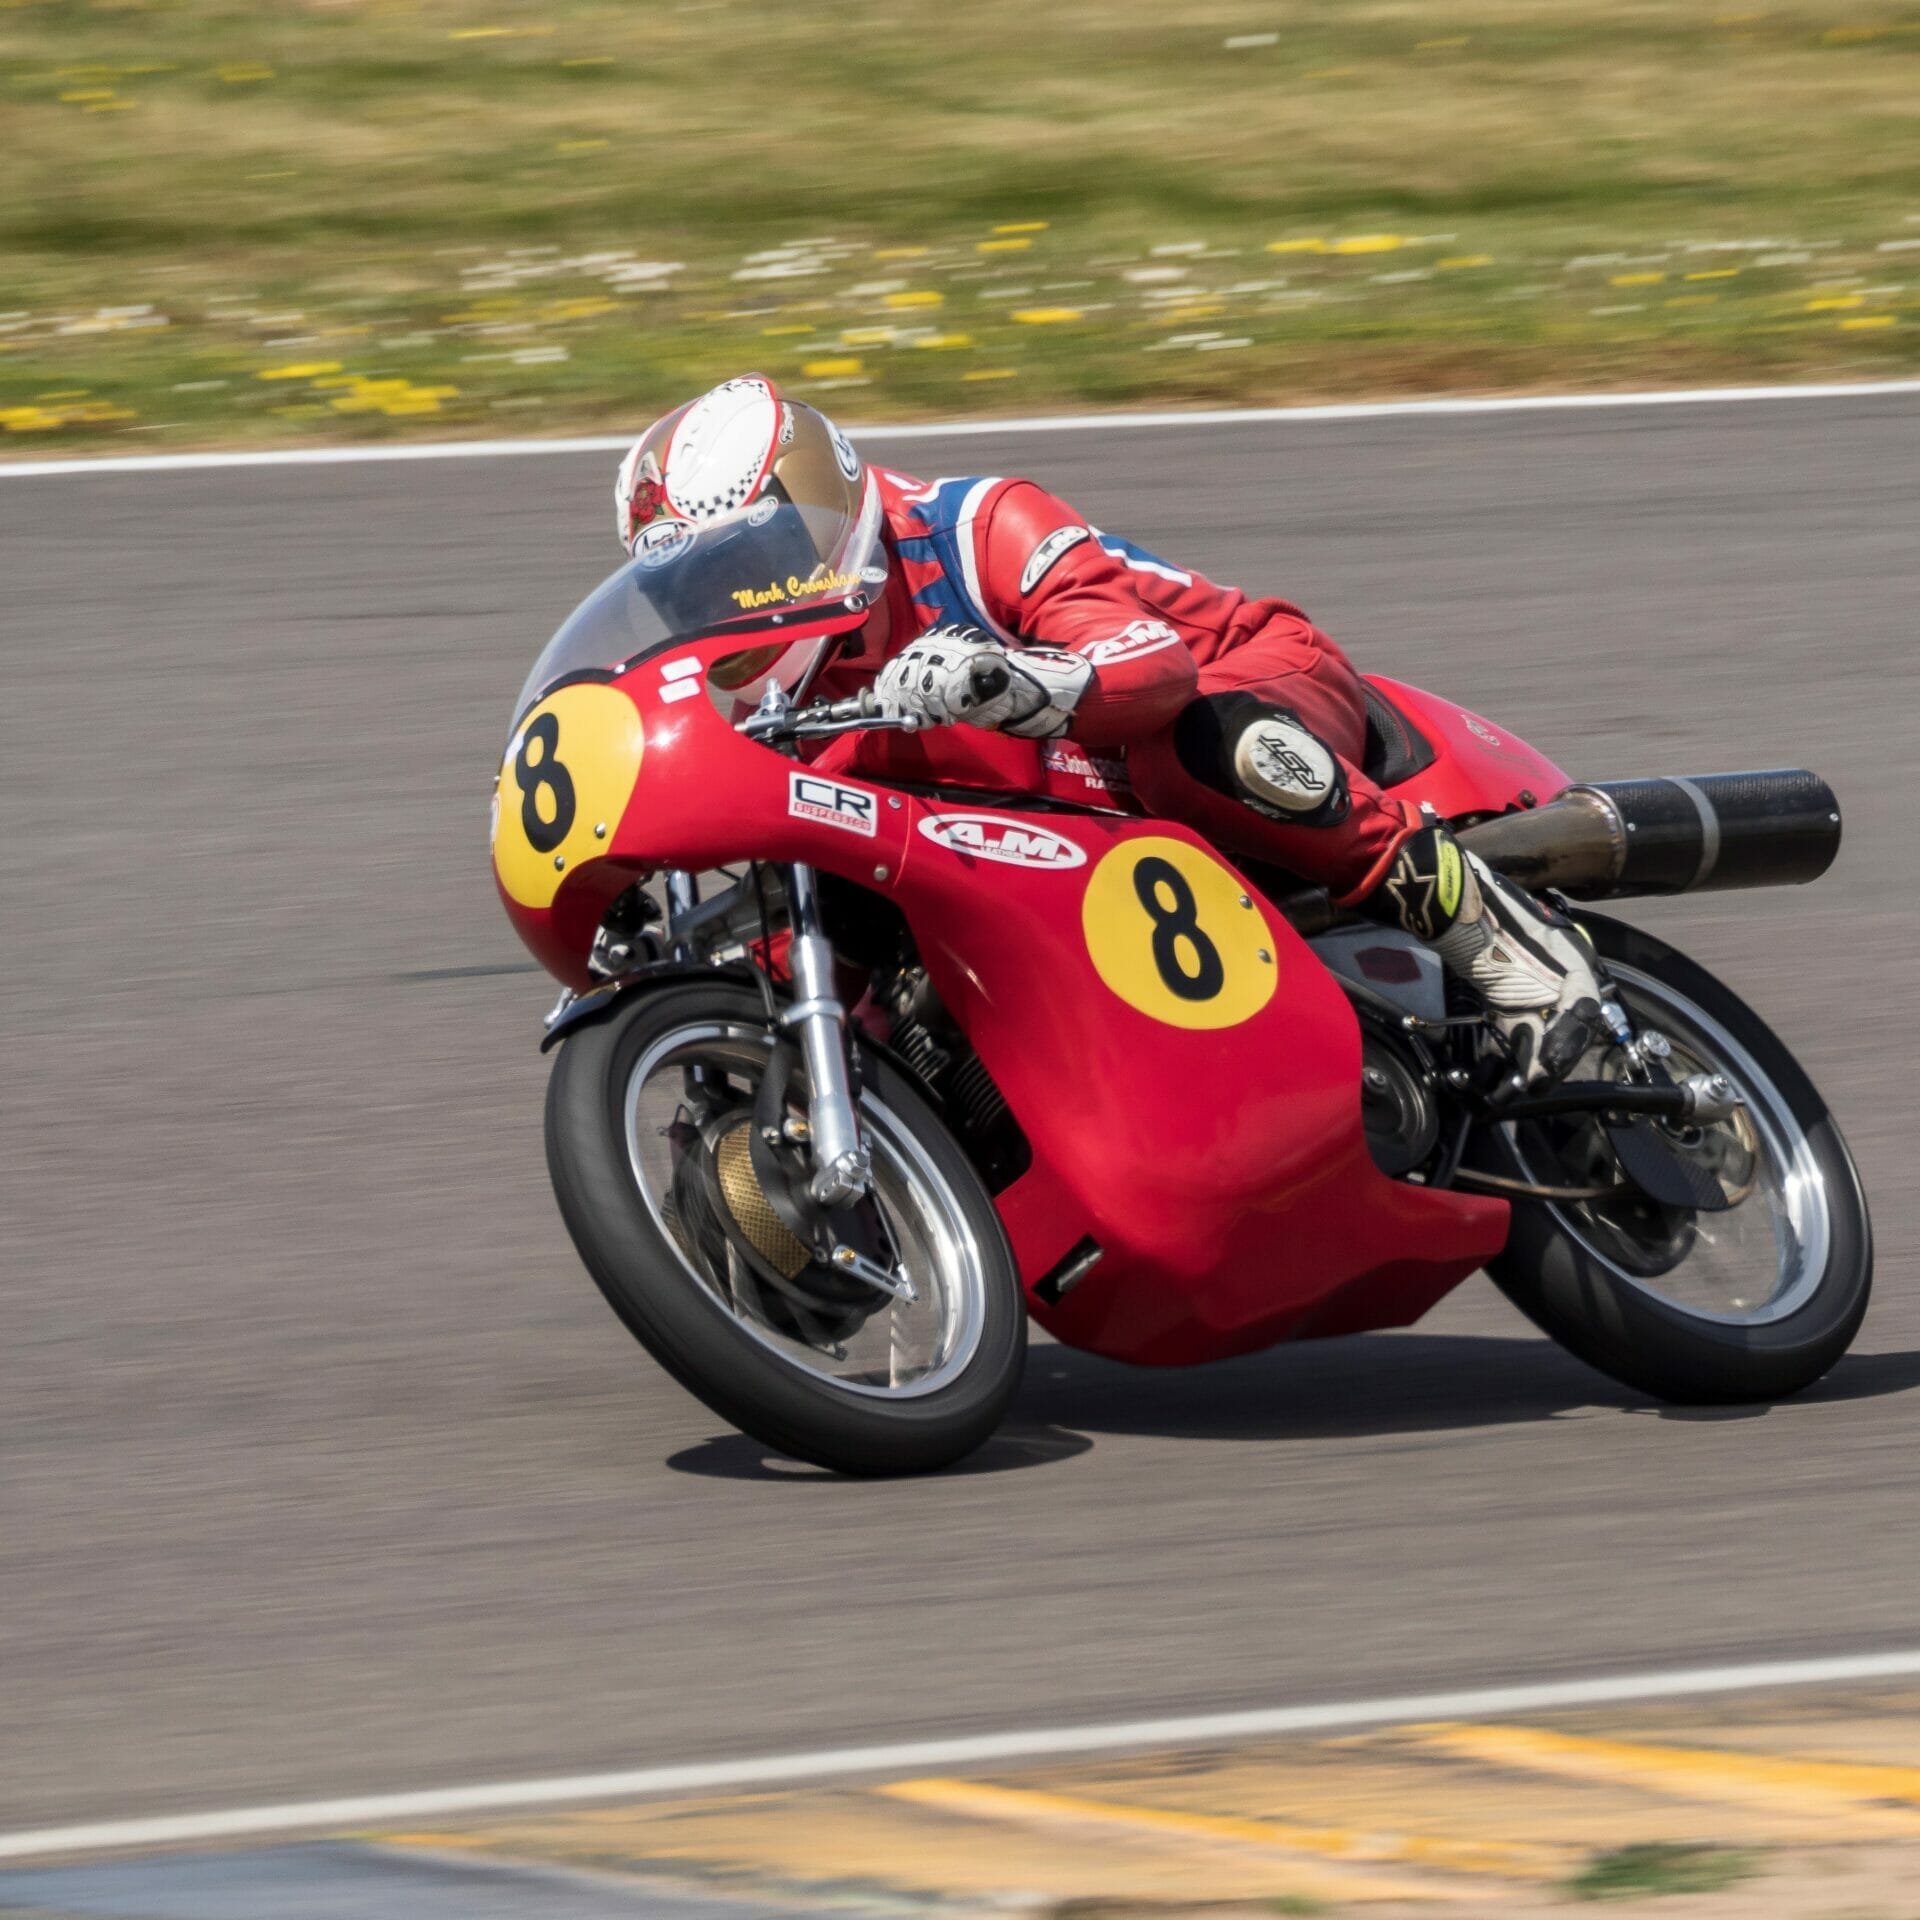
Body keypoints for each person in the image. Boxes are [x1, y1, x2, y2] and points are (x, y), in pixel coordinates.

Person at [614, 376, 1606, 1085]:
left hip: (1247, 679)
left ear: (817, 512)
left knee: (1186, 750)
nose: (731, 598)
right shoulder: (771, 702)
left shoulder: (976, 526)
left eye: (746, 563)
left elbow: (1151, 668)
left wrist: (1010, 680)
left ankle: (1500, 937)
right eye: (699, 585)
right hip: (1085, 841)